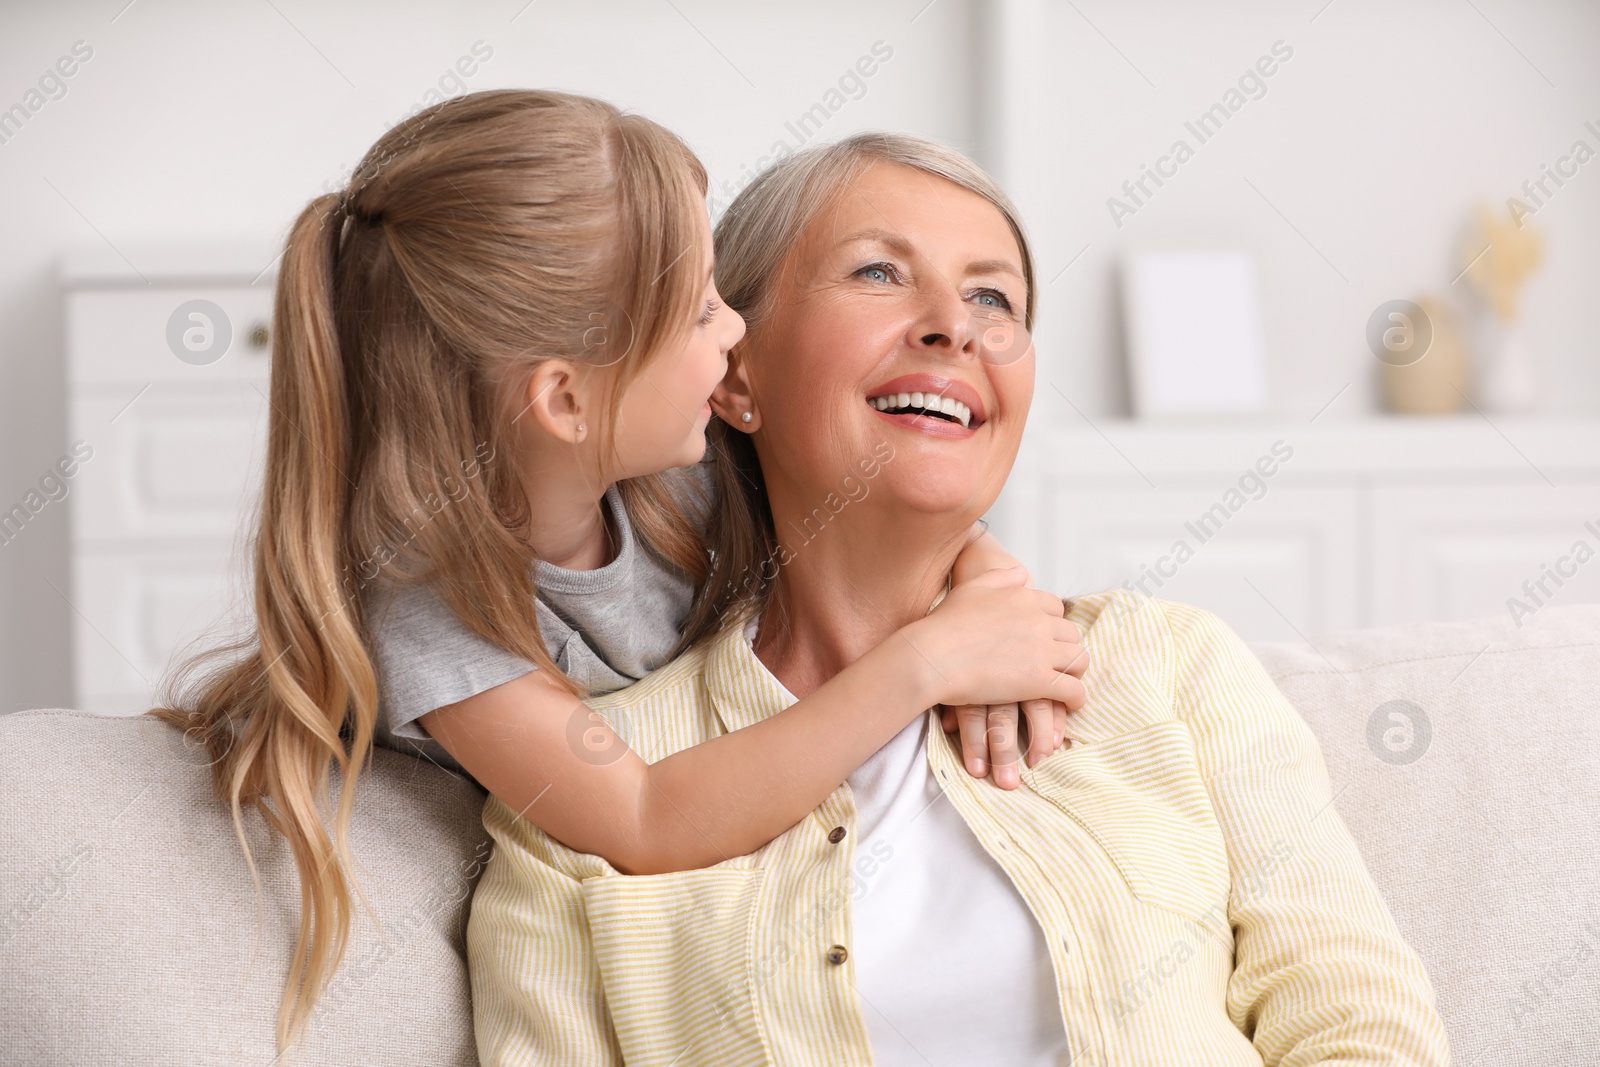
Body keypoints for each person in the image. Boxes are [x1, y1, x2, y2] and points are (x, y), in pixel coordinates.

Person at [467, 132, 1452, 1066]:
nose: (955, 323)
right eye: (877, 272)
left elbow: (1358, 1020)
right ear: (737, 374)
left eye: (995, 296)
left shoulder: (1166, 664)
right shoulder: (582, 795)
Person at [148, 91, 1089, 1060]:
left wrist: (987, 585)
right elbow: (644, 816)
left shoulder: (669, 480)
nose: (735, 333)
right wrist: (926, 663)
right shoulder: (430, 615)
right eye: (698, 312)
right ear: (565, 398)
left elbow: (894, 512)